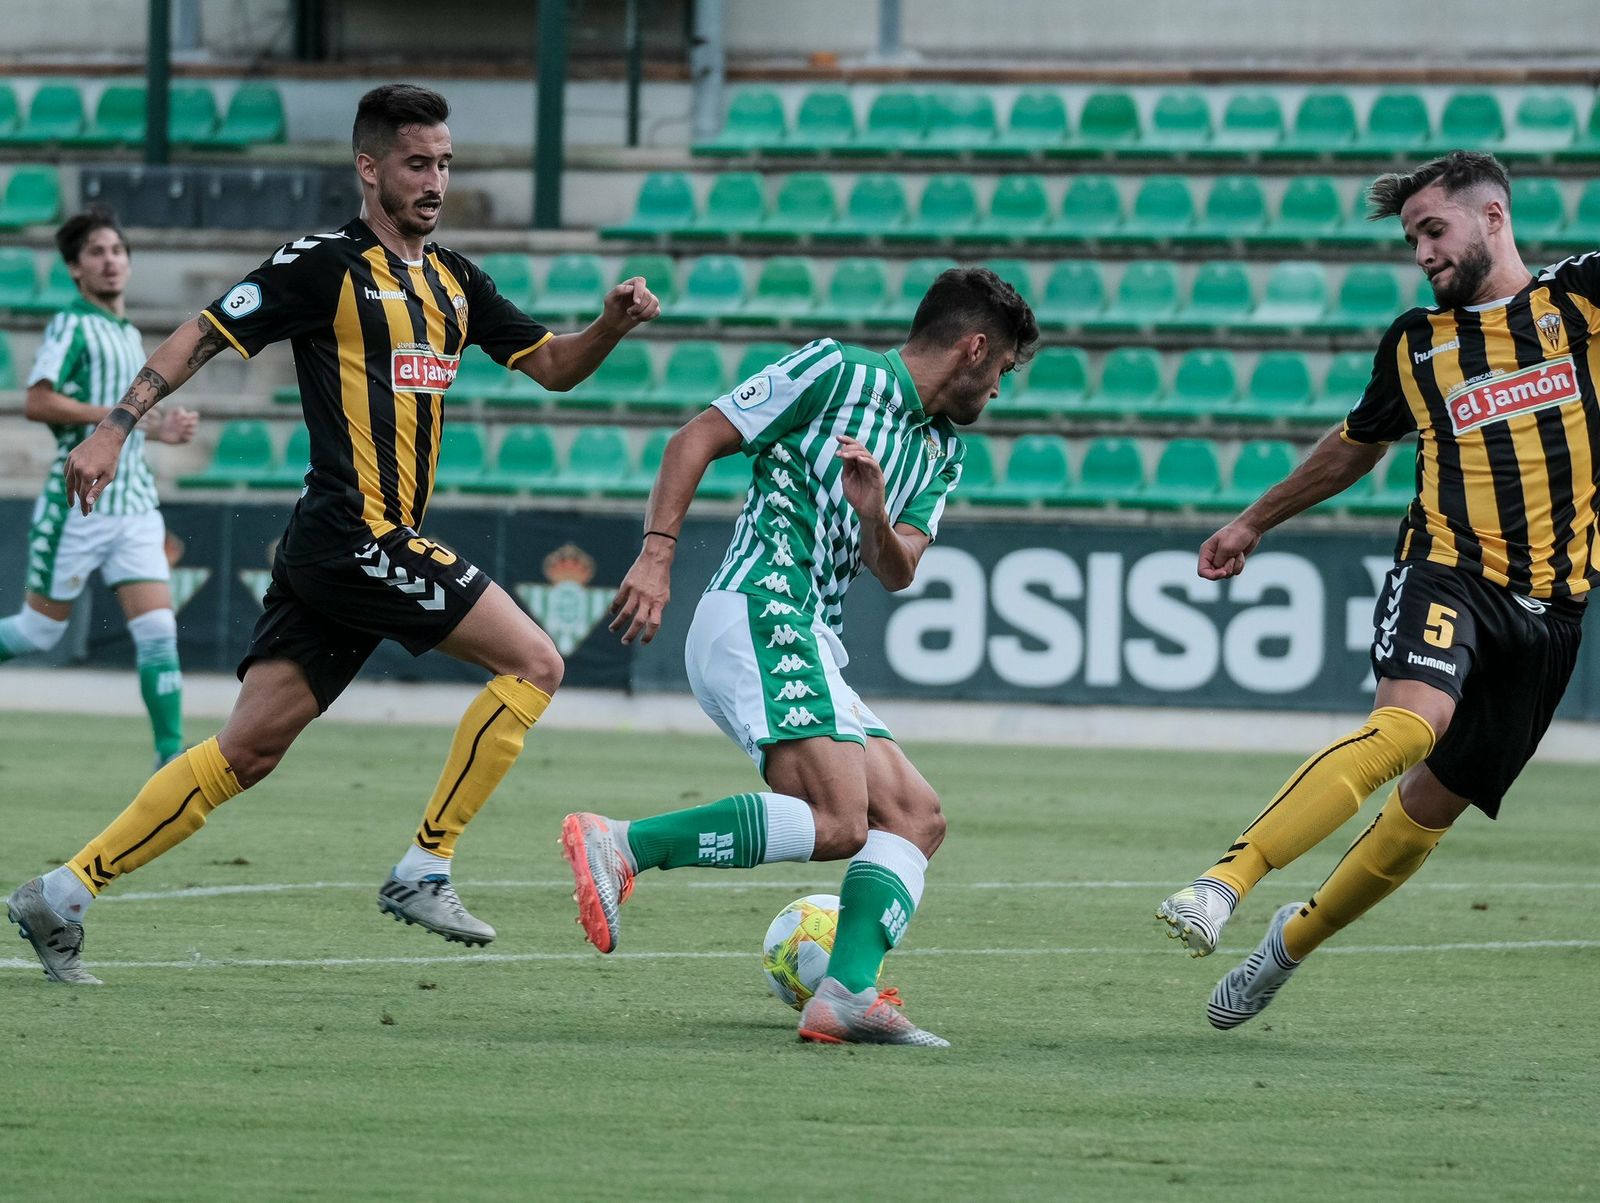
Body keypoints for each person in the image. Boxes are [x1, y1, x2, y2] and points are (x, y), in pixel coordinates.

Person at [4, 83, 660, 985]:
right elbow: (197, 337)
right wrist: (115, 425)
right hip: (359, 532)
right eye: (416, 163)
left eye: (444, 164)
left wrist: (610, 327)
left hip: (333, 547)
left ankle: (61, 892)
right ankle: (425, 865)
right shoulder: (321, 265)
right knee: (536, 662)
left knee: (246, 751)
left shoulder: (456, 282)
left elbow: (552, 366)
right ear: (369, 167)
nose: (434, 181)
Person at [1157, 150, 1596, 1029]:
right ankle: (1224, 880)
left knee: (1429, 810)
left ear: (1494, 217)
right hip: (1448, 568)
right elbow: (1355, 445)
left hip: (1555, 608)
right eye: (1412, 239)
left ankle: (1290, 942)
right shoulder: (1416, 343)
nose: (1423, 251)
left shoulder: (1581, 300)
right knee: (1406, 725)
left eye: (1434, 230)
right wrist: (1252, 520)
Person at [561, 267, 1037, 1047]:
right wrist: (655, 557)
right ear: (975, 349)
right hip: (756, 607)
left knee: (914, 816)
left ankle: (844, 993)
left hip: (809, 632)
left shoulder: (942, 454)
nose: (998, 392)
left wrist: (874, 512)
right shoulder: (835, 371)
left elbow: (898, 568)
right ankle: (623, 844)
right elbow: (697, 438)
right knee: (840, 819)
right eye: (1003, 373)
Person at [0, 208, 199, 770]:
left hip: (136, 506)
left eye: (117, 250)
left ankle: (170, 760)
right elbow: (38, 401)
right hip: (78, 507)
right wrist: (123, 418)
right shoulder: (73, 324)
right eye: (97, 252)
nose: (110, 260)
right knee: (39, 631)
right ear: (74, 269)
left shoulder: (126, 331)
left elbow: (123, 426)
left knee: (159, 630)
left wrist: (159, 432)